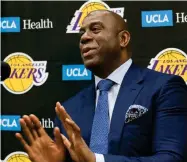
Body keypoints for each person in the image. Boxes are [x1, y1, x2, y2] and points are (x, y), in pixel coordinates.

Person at [15, 10, 187, 162]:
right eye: (81, 34)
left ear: (123, 39)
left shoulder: (164, 88)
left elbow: (171, 158)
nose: (84, 38)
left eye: (95, 29)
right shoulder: (68, 110)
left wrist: (97, 160)